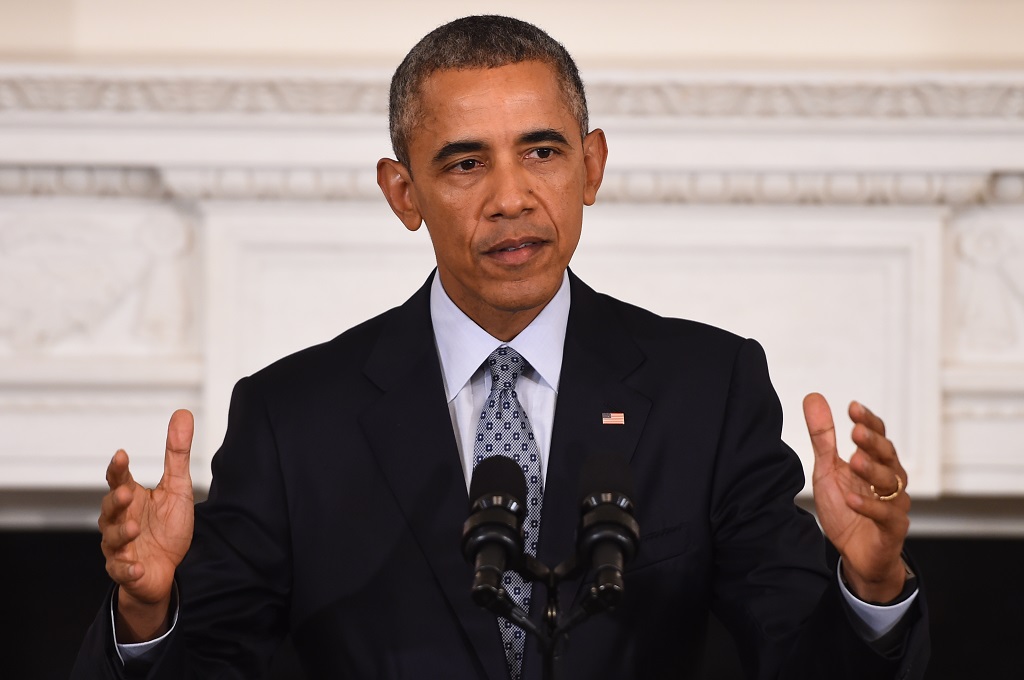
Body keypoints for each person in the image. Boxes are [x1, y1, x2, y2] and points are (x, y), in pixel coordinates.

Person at [73, 15, 928, 680]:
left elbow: (800, 662)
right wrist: (149, 616)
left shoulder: (707, 390)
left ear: (591, 168)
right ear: (402, 192)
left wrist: (872, 588)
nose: (512, 198)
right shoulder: (295, 418)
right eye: (465, 164)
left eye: (542, 152)